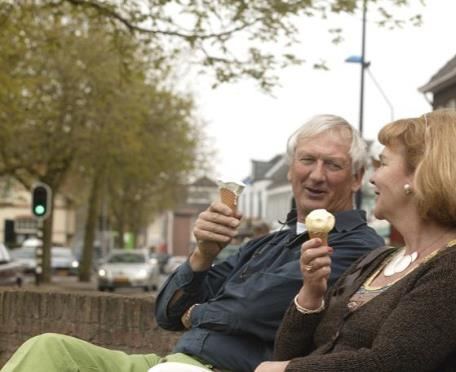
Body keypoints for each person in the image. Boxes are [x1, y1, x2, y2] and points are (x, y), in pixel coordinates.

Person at [1, 114, 384, 372]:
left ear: (356, 178)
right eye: (307, 160)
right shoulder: (263, 244)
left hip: (223, 368)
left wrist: (196, 314)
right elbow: (166, 315)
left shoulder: (356, 248)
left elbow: (248, 311)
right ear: (290, 169)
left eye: (332, 165)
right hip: (173, 359)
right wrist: (203, 254)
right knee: (48, 350)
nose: (316, 175)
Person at [256, 109, 456, 372]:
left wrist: (285, 370)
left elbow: (389, 364)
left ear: (419, 176)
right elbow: (287, 354)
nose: (373, 177)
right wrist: (311, 294)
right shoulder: (376, 261)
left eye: (383, 163)